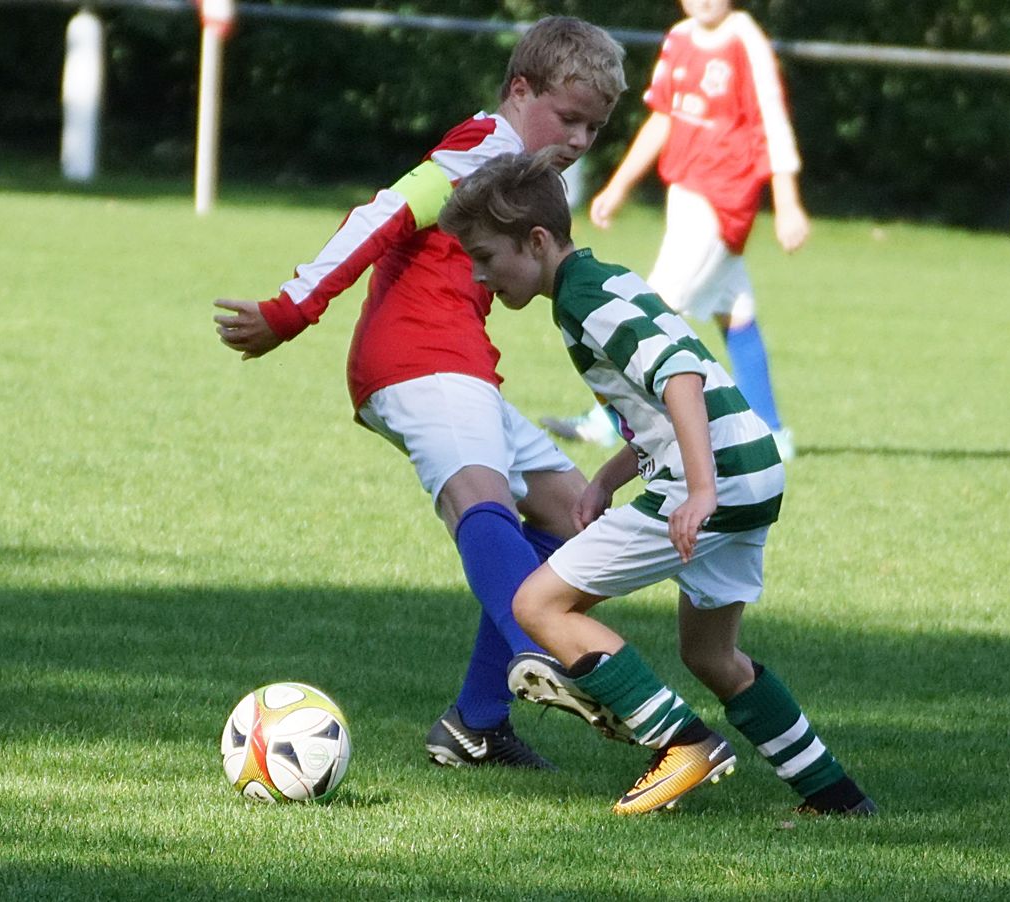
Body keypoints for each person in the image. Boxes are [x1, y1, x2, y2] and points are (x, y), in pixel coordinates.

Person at [211, 18, 626, 770]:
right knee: (479, 497)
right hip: (418, 357)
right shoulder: (484, 146)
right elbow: (382, 214)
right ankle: (542, 648)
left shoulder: (524, 170)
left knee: (575, 516)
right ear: (519, 90)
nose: (578, 139)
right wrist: (290, 309)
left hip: (458, 362)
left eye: (594, 128)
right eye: (568, 118)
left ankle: (476, 724)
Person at [439, 151, 874, 817]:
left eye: (485, 257)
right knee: (711, 655)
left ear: (537, 241)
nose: (478, 274)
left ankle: (683, 744)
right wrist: (608, 476)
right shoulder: (605, 280)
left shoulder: (584, 301)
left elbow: (680, 378)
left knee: (538, 604)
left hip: (715, 478)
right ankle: (837, 799)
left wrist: (700, 491)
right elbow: (655, 405)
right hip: (751, 468)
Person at [543, 0, 806, 461]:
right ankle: (771, 432)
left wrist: (786, 202)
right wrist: (620, 184)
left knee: (648, 311)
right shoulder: (681, 39)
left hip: (721, 198)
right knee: (735, 310)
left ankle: (611, 423)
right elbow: (664, 118)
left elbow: (772, 121)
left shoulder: (744, 40)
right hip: (685, 195)